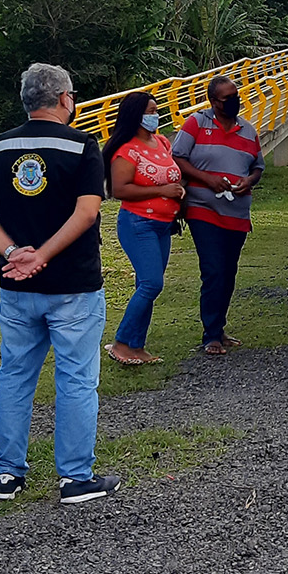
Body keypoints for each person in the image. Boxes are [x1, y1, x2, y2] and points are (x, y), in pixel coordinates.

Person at [0, 63, 119, 504]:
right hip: (73, 284)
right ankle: (75, 478)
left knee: (14, 376)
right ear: (65, 99)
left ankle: (7, 475)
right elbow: (87, 212)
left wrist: (16, 254)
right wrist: (44, 256)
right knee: (76, 379)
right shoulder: (82, 145)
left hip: (17, 286)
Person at [172, 76, 264, 356]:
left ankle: (219, 327)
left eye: (236, 95)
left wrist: (249, 180)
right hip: (203, 208)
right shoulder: (196, 124)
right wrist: (207, 179)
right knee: (213, 269)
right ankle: (210, 334)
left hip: (236, 212)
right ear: (214, 102)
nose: (235, 101)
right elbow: (177, 157)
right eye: (228, 98)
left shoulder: (247, 130)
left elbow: (258, 166)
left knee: (228, 271)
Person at [101, 91, 185, 366]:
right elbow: (120, 189)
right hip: (139, 224)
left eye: (156, 110)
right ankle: (122, 342)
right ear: (136, 114)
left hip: (163, 225)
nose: (155, 115)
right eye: (150, 110)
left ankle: (137, 345)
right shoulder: (126, 150)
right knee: (151, 284)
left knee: (145, 284)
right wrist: (162, 190)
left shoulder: (161, 141)